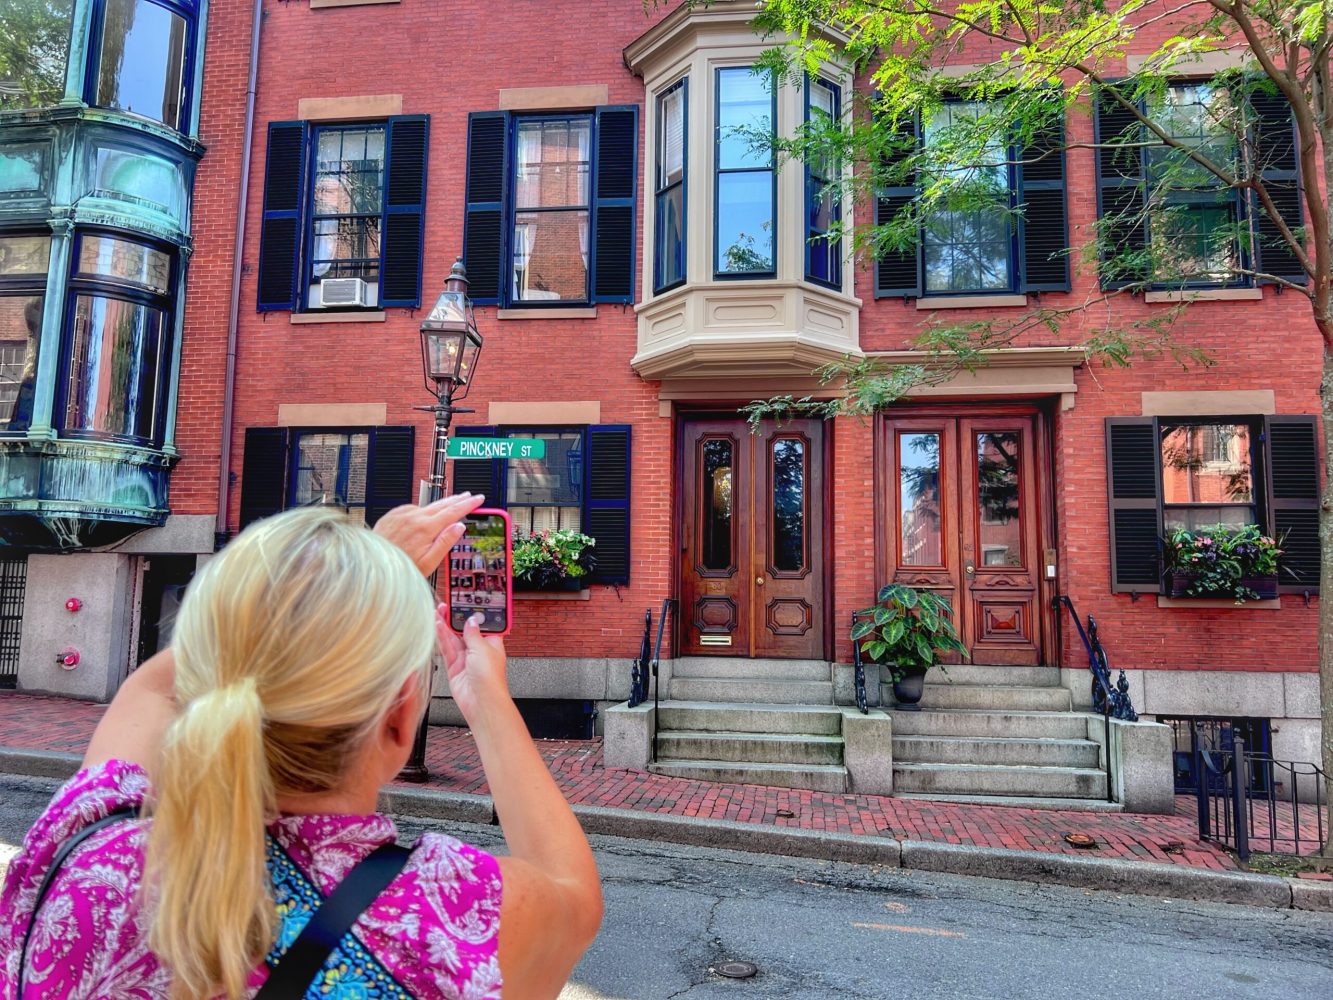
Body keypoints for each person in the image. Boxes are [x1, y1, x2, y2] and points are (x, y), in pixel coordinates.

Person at [0, 494, 603, 999]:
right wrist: (485, 696)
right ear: (399, 718)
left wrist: (355, 578)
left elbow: (158, 688)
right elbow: (572, 895)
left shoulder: (89, 843)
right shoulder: (438, 920)